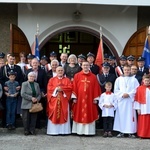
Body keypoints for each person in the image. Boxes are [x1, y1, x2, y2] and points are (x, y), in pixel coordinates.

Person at [72, 61, 101, 135]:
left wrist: (95, 98)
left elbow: (96, 88)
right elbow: (74, 86)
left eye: (87, 65)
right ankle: (78, 131)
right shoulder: (77, 76)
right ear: (81, 66)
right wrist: (74, 97)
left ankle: (89, 132)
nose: (85, 67)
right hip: (79, 99)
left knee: (89, 113)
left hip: (90, 99)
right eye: (84, 65)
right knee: (79, 113)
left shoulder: (93, 76)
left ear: (89, 66)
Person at [113, 65, 139, 138]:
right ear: (123, 70)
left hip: (130, 101)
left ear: (130, 70)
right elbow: (116, 90)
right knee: (121, 116)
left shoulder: (134, 80)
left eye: (128, 70)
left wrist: (129, 94)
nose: (127, 71)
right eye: (125, 70)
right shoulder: (118, 79)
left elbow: (137, 90)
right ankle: (121, 131)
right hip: (121, 101)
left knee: (130, 117)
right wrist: (122, 94)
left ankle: (131, 132)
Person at [47, 66, 72, 135]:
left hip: (64, 100)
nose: (60, 72)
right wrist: (56, 89)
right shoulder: (52, 80)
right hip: (54, 100)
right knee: (54, 114)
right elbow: (49, 88)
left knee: (64, 113)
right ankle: (53, 131)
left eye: (61, 70)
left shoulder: (67, 80)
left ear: (63, 71)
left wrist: (62, 89)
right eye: (59, 70)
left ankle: (64, 131)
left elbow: (70, 88)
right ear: (56, 71)